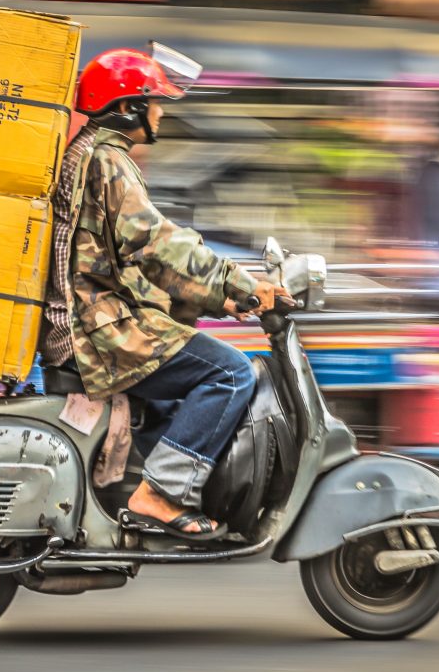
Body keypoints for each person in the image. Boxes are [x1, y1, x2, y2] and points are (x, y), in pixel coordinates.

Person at [40, 45, 290, 540]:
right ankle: (160, 494)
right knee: (229, 373)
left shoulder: (91, 155)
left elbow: (132, 257)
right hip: (99, 330)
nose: (159, 113)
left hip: (98, 319)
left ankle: (159, 493)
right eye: (153, 102)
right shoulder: (106, 161)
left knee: (184, 377)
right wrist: (239, 285)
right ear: (128, 107)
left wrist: (218, 299)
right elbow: (155, 243)